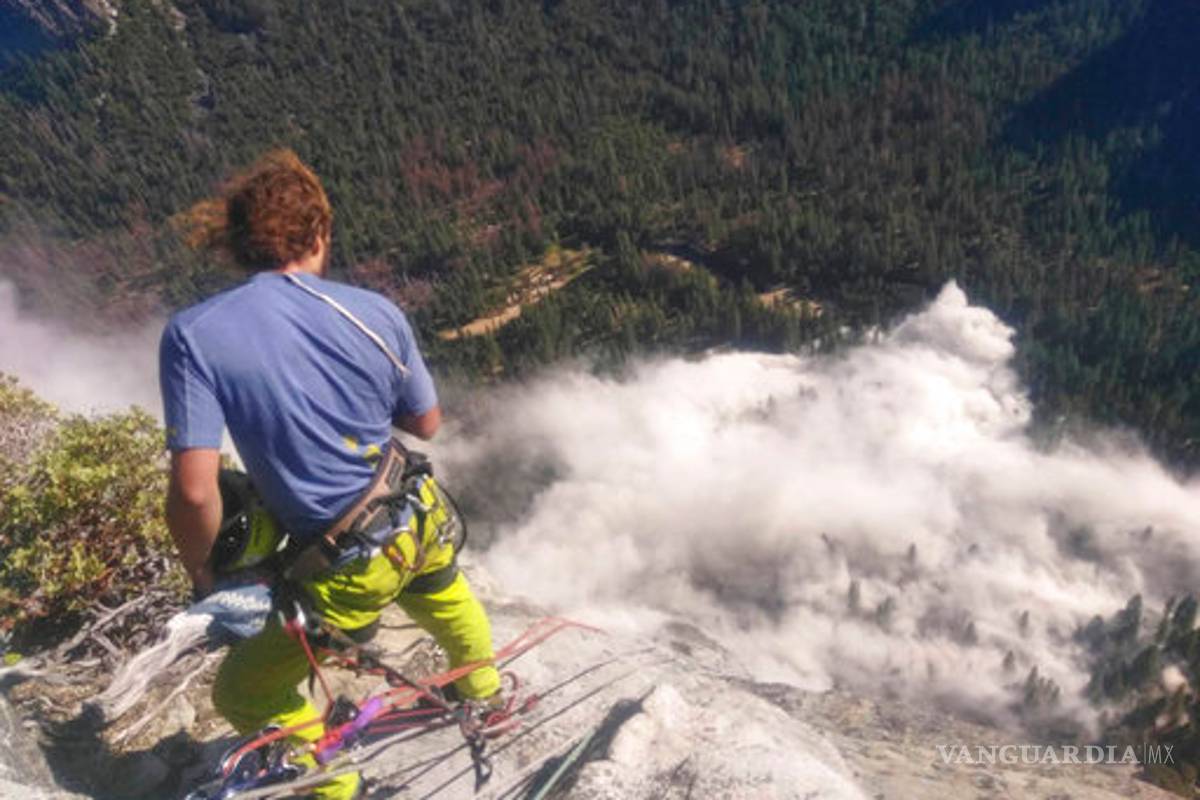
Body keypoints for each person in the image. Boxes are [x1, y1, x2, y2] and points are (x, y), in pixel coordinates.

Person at [159, 149, 500, 800]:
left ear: (236, 245)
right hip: (416, 510)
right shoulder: (375, 312)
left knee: (245, 690)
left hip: (343, 558)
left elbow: (194, 490)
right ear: (319, 233)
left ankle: (335, 786)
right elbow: (425, 423)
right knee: (444, 595)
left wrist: (203, 573)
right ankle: (484, 691)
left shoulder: (194, 335)